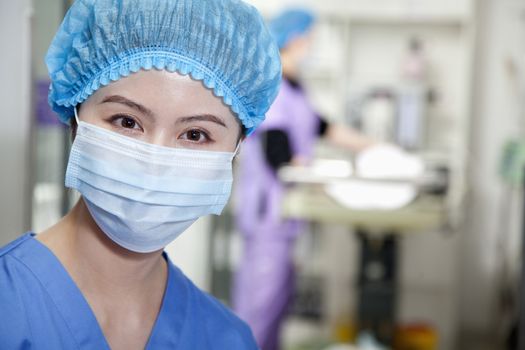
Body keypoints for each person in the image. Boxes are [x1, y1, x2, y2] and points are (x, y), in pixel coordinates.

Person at [0, 0, 281, 349]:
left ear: (235, 151)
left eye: (195, 134)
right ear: (75, 121)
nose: (156, 161)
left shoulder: (226, 339)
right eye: (127, 121)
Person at [232, 8, 375, 350]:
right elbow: (278, 157)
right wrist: (324, 178)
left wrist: (376, 147)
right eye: (310, 40)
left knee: (278, 306)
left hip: (287, 217)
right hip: (269, 215)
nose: (312, 47)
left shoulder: (297, 89)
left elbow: (323, 127)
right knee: (257, 310)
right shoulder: (274, 87)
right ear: (294, 40)